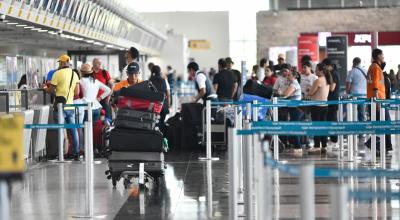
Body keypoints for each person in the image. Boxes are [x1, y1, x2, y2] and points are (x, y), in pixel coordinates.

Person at [42, 55, 80, 161]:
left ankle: (61, 154)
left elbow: (50, 90)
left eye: (60, 62)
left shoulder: (57, 74)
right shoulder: (74, 74)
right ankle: (76, 153)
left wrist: (45, 87)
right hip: (71, 106)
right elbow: (77, 92)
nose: (59, 64)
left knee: (60, 130)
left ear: (63, 63)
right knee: (73, 130)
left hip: (60, 106)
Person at [367, 48, 392, 152]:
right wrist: (377, 101)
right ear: (378, 56)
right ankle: (376, 144)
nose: (384, 57)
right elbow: (376, 86)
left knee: (379, 123)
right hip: (378, 101)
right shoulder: (376, 68)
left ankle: (385, 146)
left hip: (373, 99)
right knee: (386, 122)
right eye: (382, 55)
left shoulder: (372, 67)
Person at [308, 63, 331, 154]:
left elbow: (311, 93)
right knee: (323, 126)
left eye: (317, 69)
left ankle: (317, 146)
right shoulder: (327, 79)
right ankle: (324, 146)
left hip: (316, 106)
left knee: (316, 126)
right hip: (325, 106)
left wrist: (308, 90)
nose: (315, 71)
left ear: (321, 71)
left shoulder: (318, 80)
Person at [281, 69, 303, 154]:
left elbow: (285, 95)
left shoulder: (294, 84)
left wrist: (280, 94)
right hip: (293, 108)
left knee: (293, 127)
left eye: (289, 75)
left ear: (294, 76)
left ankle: (298, 147)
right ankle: (296, 146)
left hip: (296, 109)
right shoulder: (292, 83)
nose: (287, 76)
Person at [322, 58, 340, 147]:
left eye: (325, 66)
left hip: (332, 99)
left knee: (332, 119)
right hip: (329, 99)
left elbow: (332, 88)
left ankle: (334, 140)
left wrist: (322, 88)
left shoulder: (334, 74)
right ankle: (332, 139)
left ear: (330, 66)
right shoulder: (330, 73)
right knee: (329, 118)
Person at [92, 58, 113, 124]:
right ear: (93, 63)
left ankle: (109, 126)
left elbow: (112, 85)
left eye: (100, 63)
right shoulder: (89, 73)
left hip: (103, 98)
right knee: (95, 117)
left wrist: (109, 96)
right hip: (93, 99)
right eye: (98, 63)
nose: (100, 64)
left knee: (107, 113)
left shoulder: (104, 72)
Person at [346, 57, 367, 122]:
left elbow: (348, 84)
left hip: (354, 95)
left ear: (354, 62)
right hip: (364, 95)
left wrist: (347, 93)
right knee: (362, 112)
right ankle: (362, 127)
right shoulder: (365, 71)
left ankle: (354, 127)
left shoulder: (352, 71)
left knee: (353, 112)